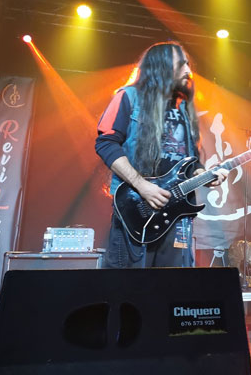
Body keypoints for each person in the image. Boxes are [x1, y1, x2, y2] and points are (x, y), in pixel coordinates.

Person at [95, 41, 228, 268]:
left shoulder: (183, 107)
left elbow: (191, 159)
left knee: (174, 284)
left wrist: (204, 175)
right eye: (182, 64)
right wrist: (142, 186)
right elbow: (106, 143)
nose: (188, 71)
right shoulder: (128, 96)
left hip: (177, 215)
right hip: (137, 208)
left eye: (188, 64)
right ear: (162, 66)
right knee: (129, 284)